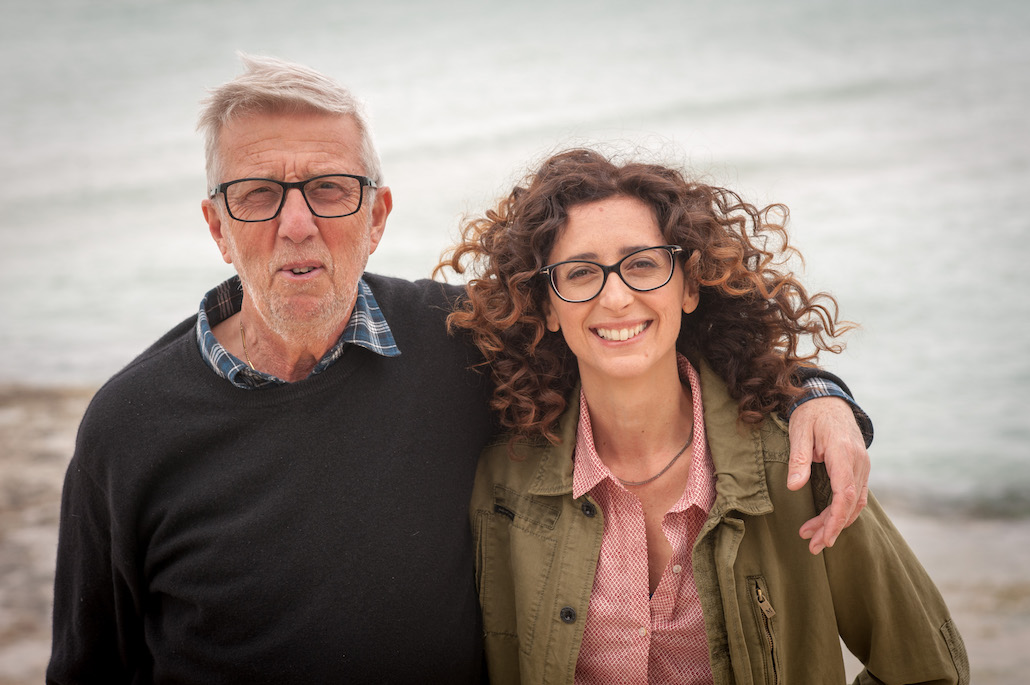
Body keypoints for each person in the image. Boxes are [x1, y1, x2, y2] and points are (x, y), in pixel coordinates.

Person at [48, 56, 873, 683]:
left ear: (377, 216)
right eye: (258, 194)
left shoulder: (462, 340)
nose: (297, 223)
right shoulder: (130, 427)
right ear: (216, 224)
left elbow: (634, 329)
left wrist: (818, 394)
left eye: (330, 190)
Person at [441, 148, 968, 683]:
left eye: (642, 264)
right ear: (549, 306)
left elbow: (926, 665)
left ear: (689, 286)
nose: (617, 297)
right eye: (580, 273)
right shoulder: (502, 482)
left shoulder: (797, 462)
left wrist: (823, 395)